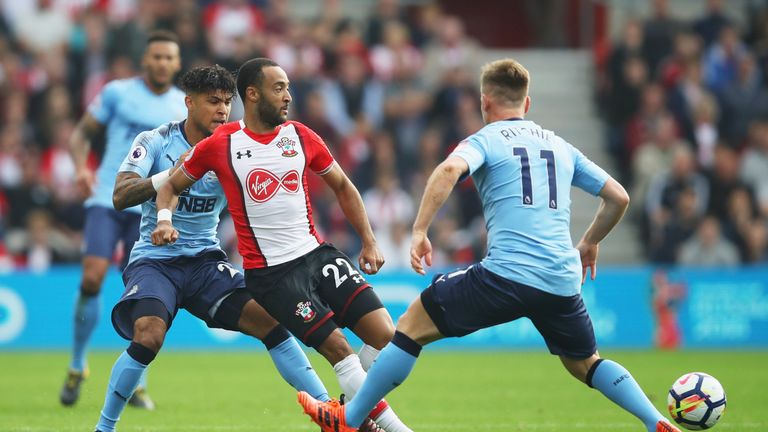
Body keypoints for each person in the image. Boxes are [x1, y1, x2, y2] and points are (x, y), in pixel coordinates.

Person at [298, 58, 683, 432]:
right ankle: (656, 420)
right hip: (561, 280)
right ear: (527, 103)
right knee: (586, 363)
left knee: (412, 324)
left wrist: (420, 230)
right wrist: (590, 241)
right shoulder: (560, 145)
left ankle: (348, 421)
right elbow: (618, 196)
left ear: (485, 101)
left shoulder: (485, 139)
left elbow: (449, 169)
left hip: (507, 275)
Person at [152, 58, 411, 432]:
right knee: (340, 349)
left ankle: (345, 413)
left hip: (317, 255)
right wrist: (164, 221)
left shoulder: (301, 136)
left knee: (386, 336)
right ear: (253, 94)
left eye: (288, 87)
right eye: (279, 88)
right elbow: (170, 186)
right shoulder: (221, 144)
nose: (288, 96)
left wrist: (369, 241)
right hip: (272, 275)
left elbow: (342, 186)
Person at [93, 64, 332, 432]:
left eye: (226, 102)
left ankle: (330, 413)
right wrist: (170, 175)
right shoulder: (155, 141)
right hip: (156, 263)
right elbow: (120, 195)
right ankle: (104, 428)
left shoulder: (236, 147)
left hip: (206, 263)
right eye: (212, 102)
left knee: (270, 323)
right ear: (188, 103)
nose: (222, 110)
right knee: (149, 335)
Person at [62, 30, 187, 408]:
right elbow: (81, 135)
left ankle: (138, 382)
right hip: (107, 197)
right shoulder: (118, 92)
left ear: (177, 64)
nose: (163, 63)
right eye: (157, 57)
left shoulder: (182, 105)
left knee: (143, 293)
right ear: (145, 61)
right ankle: (78, 363)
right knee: (92, 276)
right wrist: (82, 169)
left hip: (149, 206)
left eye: (169, 58)